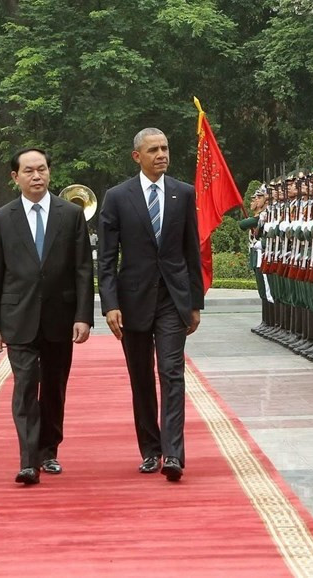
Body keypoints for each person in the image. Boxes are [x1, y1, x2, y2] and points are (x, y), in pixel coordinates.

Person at [97, 127, 204, 482]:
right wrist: (110, 304)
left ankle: (173, 454)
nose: (161, 154)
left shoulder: (182, 193)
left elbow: (191, 250)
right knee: (141, 376)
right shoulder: (117, 197)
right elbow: (106, 258)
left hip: (172, 299)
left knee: (172, 373)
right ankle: (150, 450)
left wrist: (195, 302)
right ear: (137, 156)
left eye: (165, 148)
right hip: (133, 301)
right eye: (153, 149)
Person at [0, 147, 93, 486]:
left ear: (49, 172)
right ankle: (28, 460)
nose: (37, 176)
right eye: (29, 171)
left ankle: (49, 450)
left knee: (55, 388)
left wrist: (83, 316)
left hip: (60, 316)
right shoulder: (3, 218)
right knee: (26, 386)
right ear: (15, 177)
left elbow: (83, 269)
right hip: (18, 317)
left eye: (42, 169)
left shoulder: (70, 214)